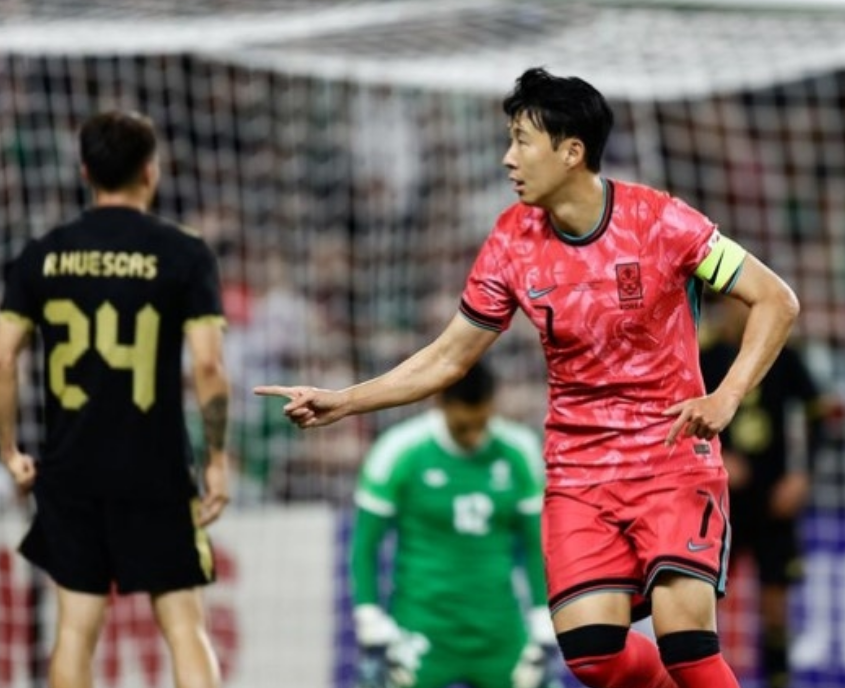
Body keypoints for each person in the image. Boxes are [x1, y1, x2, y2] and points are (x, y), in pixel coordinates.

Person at [258, 67, 799, 688]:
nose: (507, 158)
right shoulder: (511, 241)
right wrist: (344, 401)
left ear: (571, 152)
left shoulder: (661, 222)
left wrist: (727, 396)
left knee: (687, 646)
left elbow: (776, 299)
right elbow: (449, 357)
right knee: (592, 657)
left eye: (521, 141)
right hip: (579, 472)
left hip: (671, 457)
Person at [0, 110, 230, 688]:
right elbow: (208, 365)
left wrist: (8, 453)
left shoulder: (41, 254)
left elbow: (2, 358)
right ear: (151, 171)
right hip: (155, 469)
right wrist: (217, 460)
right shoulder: (184, 253)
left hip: (70, 468)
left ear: (84, 171)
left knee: (76, 629)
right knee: (184, 625)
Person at [350, 359, 559, 688]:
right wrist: (369, 618)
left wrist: (541, 619)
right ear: (439, 404)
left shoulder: (519, 450)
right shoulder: (398, 450)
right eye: (463, 427)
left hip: (500, 631)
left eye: (481, 424)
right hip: (421, 627)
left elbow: (536, 544)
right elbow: (365, 545)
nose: (473, 436)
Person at [700, 295, 827, 688]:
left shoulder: (782, 354)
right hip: (721, 501)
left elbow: (818, 414)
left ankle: (778, 679)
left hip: (775, 498)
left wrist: (801, 476)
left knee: (775, 603)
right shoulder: (706, 356)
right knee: (704, 598)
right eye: (734, 302)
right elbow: (682, 415)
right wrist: (716, 457)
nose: (740, 310)